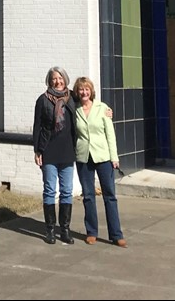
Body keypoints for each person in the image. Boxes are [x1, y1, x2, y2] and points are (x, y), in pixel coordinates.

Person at [72, 76, 126, 247]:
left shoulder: (102, 108)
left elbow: (110, 134)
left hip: (103, 157)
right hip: (83, 157)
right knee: (88, 196)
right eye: (81, 89)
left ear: (91, 91)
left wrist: (114, 157)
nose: (84, 92)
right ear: (77, 92)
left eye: (86, 89)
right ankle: (91, 232)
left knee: (110, 195)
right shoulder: (75, 110)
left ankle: (116, 234)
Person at [32, 66, 77, 245]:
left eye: (60, 78)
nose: (57, 81)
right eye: (54, 79)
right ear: (49, 81)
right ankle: (50, 229)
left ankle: (64, 230)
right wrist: (37, 150)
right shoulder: (42, 100)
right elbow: (37, 126)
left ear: (65, 79)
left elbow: (90, 103)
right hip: (48, 149)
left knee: (67, 191)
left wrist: (106, 112)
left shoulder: (72, 97)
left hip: (67, 150)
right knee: (50, 190)